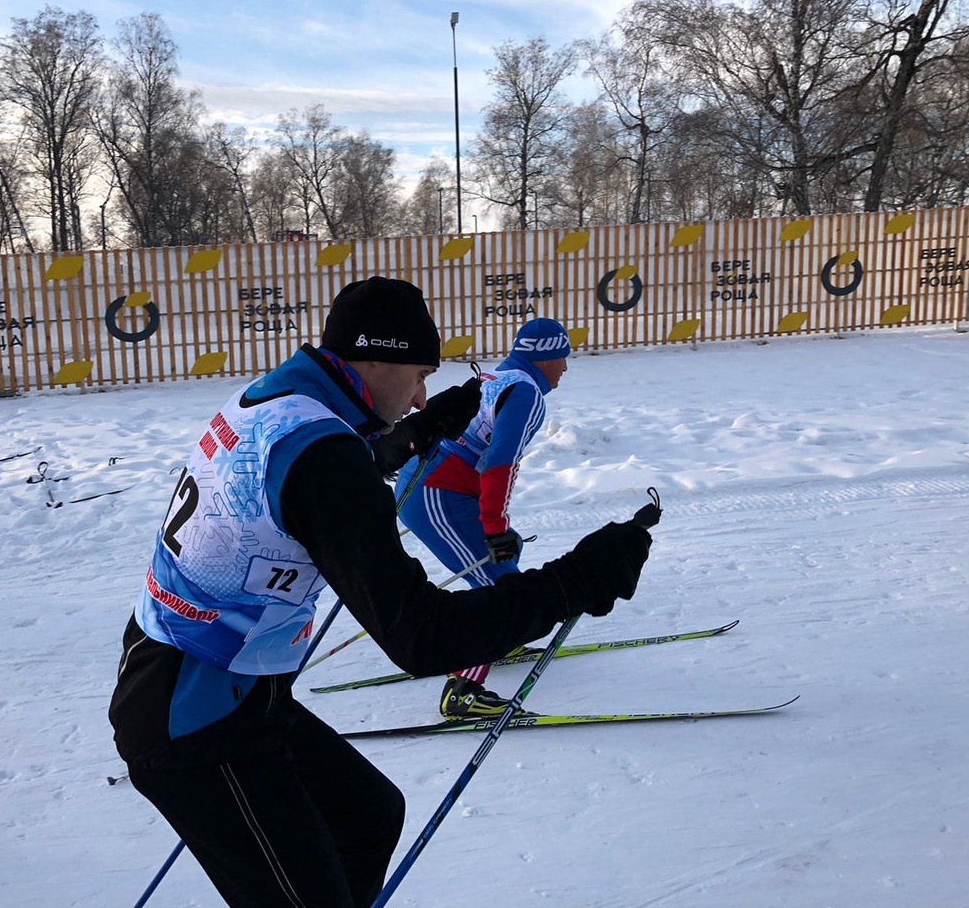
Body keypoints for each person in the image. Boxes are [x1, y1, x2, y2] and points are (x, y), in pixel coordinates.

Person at [109, 277, 660, 908]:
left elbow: (300, 480)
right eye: (420, 374)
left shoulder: (276, 397)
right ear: (374, 359)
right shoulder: (327, 459)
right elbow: (423, 635)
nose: (422, 393)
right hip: (196, 717)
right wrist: (572, 582)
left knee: (367, 819)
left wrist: (402, 438)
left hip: (204, 680)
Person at [394, 317, 574, 719]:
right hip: (436, 493)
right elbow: (500, 463)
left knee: (505, 565)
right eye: (562, 357)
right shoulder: (527, 394)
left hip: (434, 484)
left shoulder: (501, 375)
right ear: (545, 357)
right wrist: (493, 527)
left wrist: (498, 529)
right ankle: (463, 691)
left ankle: (501, 639)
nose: (565, 367)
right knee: (498, 588)